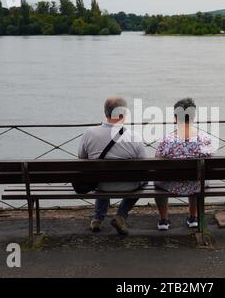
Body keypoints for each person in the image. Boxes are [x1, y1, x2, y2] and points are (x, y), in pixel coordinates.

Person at [78, 97, 145, 235]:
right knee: (144, 179)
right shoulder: (134, 136)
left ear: (105, 112)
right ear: (124, 113)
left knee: (100, 174)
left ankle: (97, 218)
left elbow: (81, 157)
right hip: (129, 186)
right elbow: (143, 164)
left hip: (99, 185)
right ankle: (121, 215)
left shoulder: (89, 133)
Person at [154, 98, 213, 231]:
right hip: (197, 183)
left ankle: (164, 220)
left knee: (158, 180)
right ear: (193, 117)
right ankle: (193, 218)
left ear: (175, 117)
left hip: (171, 184)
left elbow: (157, 164)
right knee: (197, 177)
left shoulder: (166, 141)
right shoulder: (204, 139)